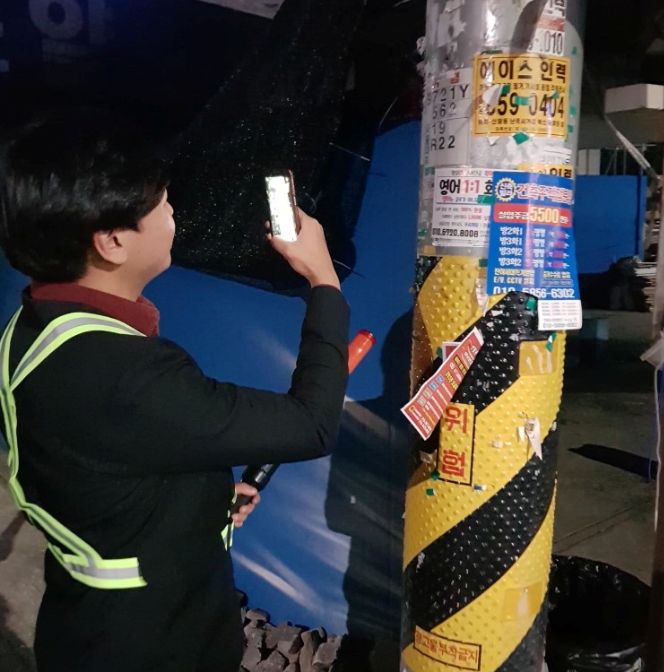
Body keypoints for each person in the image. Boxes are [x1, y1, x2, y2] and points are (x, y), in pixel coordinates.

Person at [0, 111, 349, 672]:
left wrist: (198, 501)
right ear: (113, 240)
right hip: (154, 642)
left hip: (79, 624)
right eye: (161, 204)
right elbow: (311, 425)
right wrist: (322, 279)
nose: (171, 213)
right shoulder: (128, 373)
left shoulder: (36, 321)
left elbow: (92, 456)